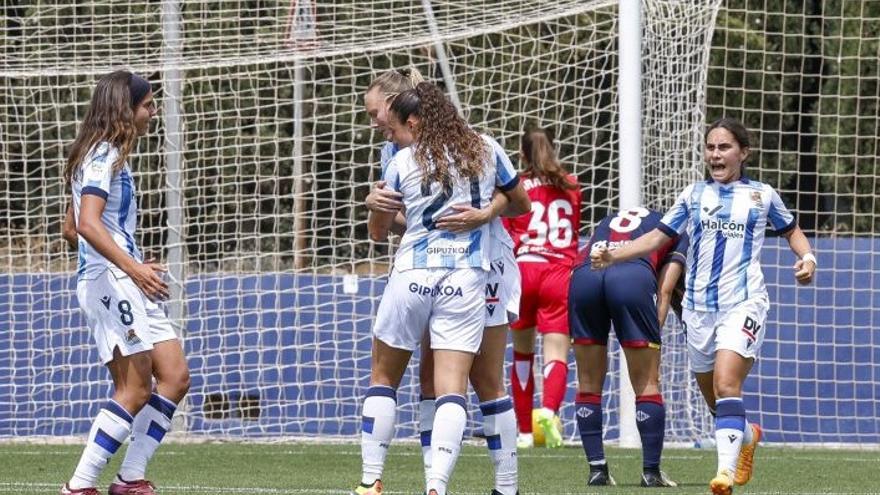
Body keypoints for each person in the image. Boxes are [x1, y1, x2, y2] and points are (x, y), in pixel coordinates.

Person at [591, 118, 817, 495]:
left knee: (728, 383)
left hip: (744, 301)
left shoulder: (762, 196)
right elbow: (655, 238)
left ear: (743, 153)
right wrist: (614, 254)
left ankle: (723, 475)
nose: (715, 154)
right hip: (697, 309)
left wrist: (808, 259)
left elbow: (791, 230)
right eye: (710, 147)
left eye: (724, 147)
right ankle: (747, 435)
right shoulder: (693, 195)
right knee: (715, 398)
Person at [362, 68, 529, 495]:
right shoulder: (398, 153)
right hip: (458, 271)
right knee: (431, 379)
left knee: (485, 378)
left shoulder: (469, 145)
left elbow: (517, 203)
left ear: (406, 111)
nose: (377, 124)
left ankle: (505, 486)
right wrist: (399, 214)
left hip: (485, 265)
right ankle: (434, 481)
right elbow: (406, 218)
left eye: (378, 114)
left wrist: (484, 213)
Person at [59, 70, 190, 495]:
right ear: (125, 109)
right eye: (147, 105)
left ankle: (130, 478)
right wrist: (130, 268)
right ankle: (78, 487)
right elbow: (86, 224)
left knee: (174, 376)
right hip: (109, 282)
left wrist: (129, 259)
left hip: (121, 276)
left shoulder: (103, 154)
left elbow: (70, 229)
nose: (152, 112)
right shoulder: (101, 156)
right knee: (133, 389)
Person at [569, 206, 687, 488]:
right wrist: (651, 333)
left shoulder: (611, 218)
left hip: (584, 274)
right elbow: (666, 290)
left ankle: (597, 470)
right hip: (631, 275)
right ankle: (651, 473)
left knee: (587, 382)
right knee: (647, 383)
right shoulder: (678, 227)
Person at [501, 126, 581, 449]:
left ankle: (523, 432)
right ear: (554, 147)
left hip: (524, 270)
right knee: (557, 352)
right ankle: (548, 411)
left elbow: (508, 231)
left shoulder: (516, 185)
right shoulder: (572, 184)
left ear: (521, 153)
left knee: (522, 354)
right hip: (559, 272)